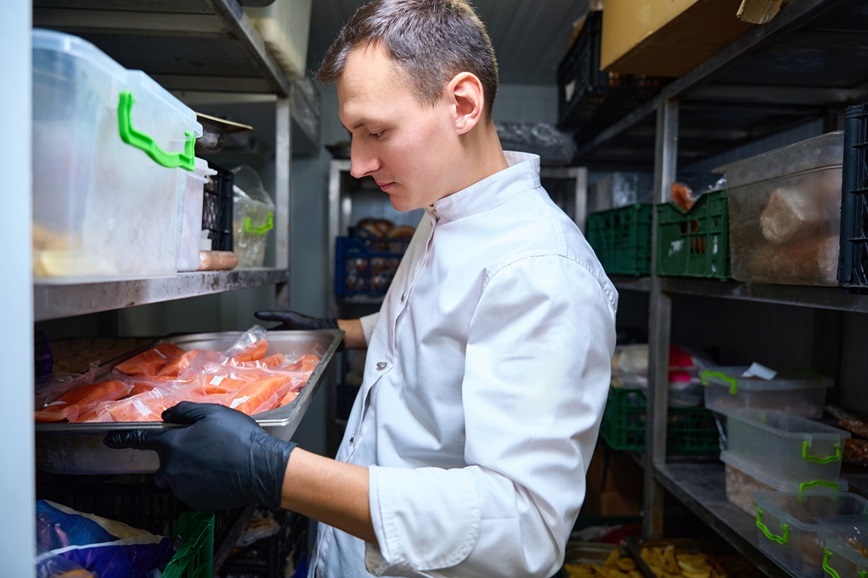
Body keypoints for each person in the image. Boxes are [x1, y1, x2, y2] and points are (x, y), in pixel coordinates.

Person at [105, 1, 618, 576]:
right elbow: (442, 320)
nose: (357, 163)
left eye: (376, 132)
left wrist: (276, 473)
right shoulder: (445, 206)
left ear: (463, 105)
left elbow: (524, 527)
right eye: (354, 135)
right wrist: (341, 331)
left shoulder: (541, 269)